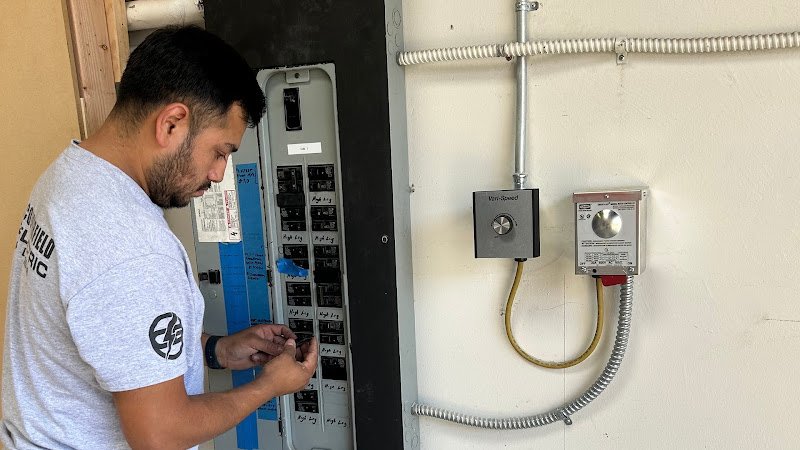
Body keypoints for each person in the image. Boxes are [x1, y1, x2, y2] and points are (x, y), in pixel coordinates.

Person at [2, 26, 318, 449]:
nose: (218, 174)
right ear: (171, 124)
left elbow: (111, 337)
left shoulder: (70, 177)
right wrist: (268, 386)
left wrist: (217, 350)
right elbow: (159, 434)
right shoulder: (133, 249)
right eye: (220, 151)